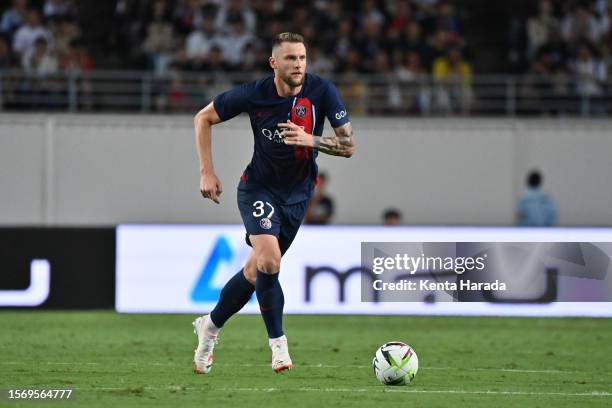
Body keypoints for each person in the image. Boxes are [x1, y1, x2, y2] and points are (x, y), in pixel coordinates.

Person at [192, 32, 355, 374]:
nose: (298, 65)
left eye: (302, 58)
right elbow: (202, 118)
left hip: (298, 196)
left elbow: (349, 145)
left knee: (255, 271)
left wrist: (310, 139)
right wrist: (207, 172)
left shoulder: (322, 91)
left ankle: (210, 326)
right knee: (269, 261)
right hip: (258, 189)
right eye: (291, 58)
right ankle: (278, 345)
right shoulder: (255, 94)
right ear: (274, 63)